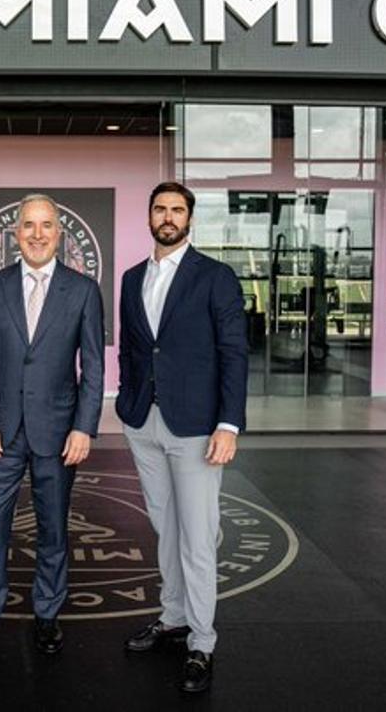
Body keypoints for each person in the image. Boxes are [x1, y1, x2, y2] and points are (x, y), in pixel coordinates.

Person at [116, 182, 249, 694]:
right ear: (148, 215)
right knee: (165, 527)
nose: (167, 217)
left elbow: (234, 353)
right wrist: (128, 403)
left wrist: (228, 423)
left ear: (189, 218)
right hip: (142, 423)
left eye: (177, 209)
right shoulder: (132, 278)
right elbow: (134, 350)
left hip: (196, 427)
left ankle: (202, 640)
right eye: (159, 208)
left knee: (197, 537)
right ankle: (172, 618)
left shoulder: (215, 277)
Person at [0, 193, 104, 657]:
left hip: (60, 432)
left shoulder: (84, 291)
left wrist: (85, 427)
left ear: (60, 233)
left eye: (47, 225)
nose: (38, 234)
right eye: (29, 225)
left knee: (53, 528)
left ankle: (47, 613)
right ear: (16, 232)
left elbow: (94, 368)